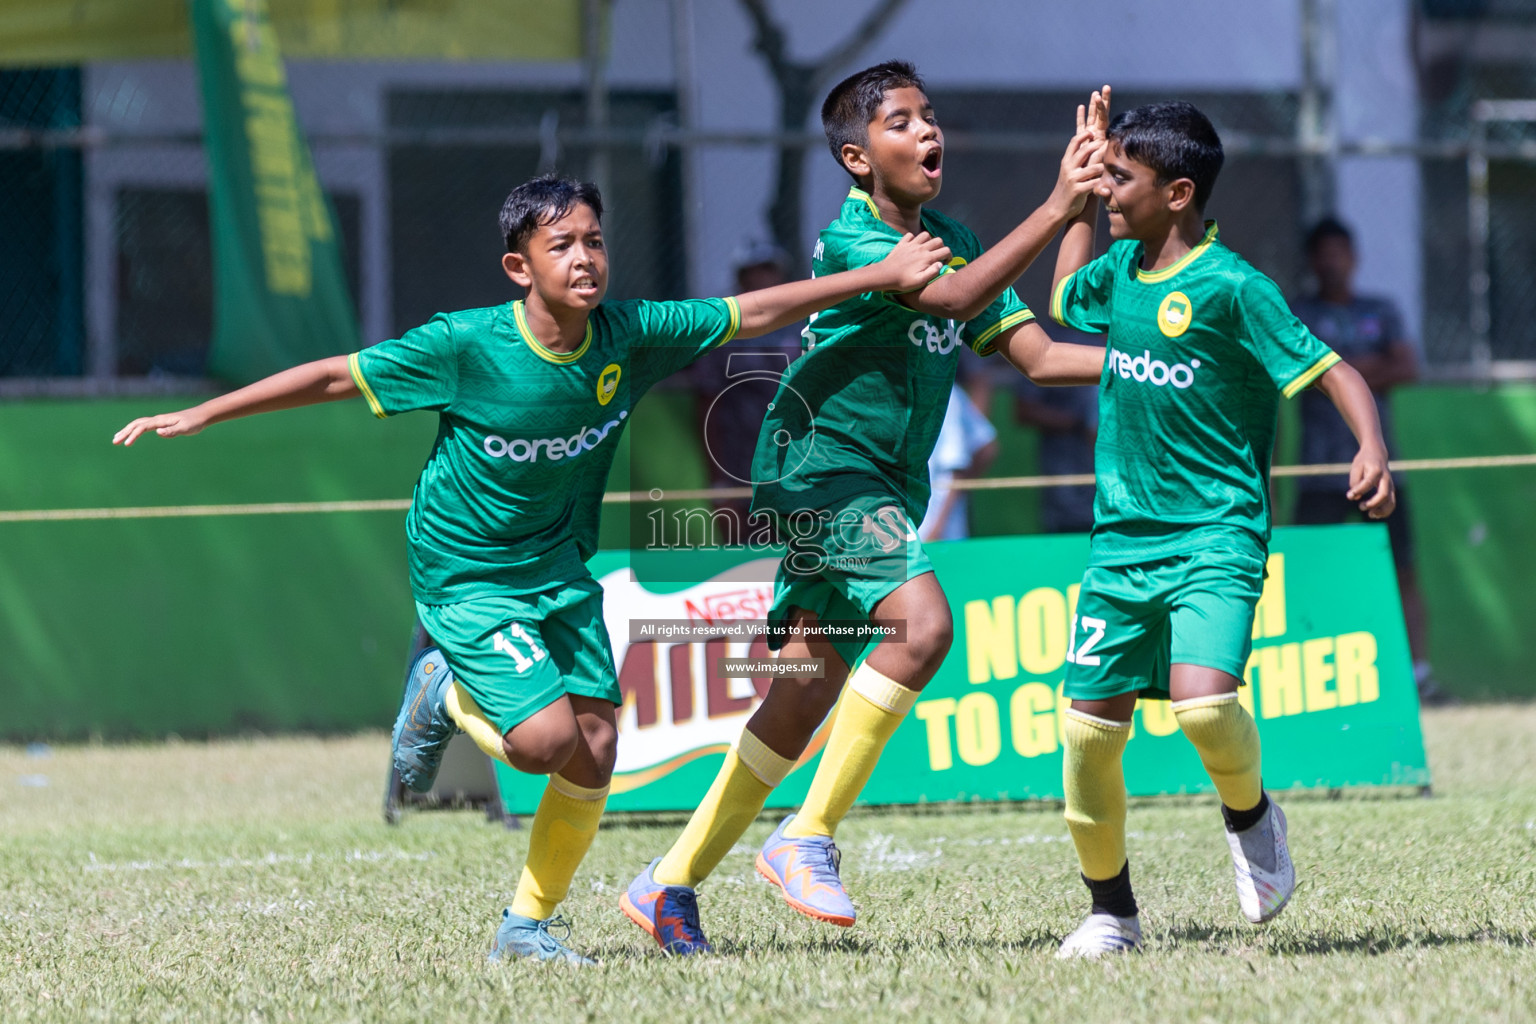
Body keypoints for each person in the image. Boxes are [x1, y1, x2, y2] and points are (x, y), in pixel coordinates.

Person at [111, 174, 950, 965]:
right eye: (561, 246)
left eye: (594, 240)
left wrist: (872, 277)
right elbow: (337, 373)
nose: (584, 258)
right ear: (520, 267)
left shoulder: (630, 335)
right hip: (466, 570)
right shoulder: (465, 345)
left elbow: (753, 310)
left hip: (557, 564)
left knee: (595, 748)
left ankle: (526, 926)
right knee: (545, 741)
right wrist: (204, 412)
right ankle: (438, 687)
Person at [620, 60, 1108, 955]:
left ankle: (667, 881)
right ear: (856, 156)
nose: (929, 133)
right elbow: (954, 296)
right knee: (921, 628)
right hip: (821, 472)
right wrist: (1054, 203)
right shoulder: (854, 241)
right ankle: (806, 835)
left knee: (803, 693)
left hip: (877, 483)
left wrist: (1164, 372)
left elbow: (1037, 355)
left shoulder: (953, 234)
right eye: (902, 122)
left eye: (931, 116)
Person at [1047, 96, 1395, 958]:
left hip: (1216, 534)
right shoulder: (1120, 269)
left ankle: (1253, 821)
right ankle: (1111, 915)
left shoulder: (1235, 286)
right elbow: (1062, 299)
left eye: (1120, 177)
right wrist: (1081, 197)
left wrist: (1372, 446)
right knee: (1087, 734)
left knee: (1206, 709)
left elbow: (1334, 369)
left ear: (1178, 192)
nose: (1106, 186)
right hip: (1120, 543)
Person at [1290, 217, 1443, 704]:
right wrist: (1354, 368)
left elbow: (1406, 366)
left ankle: (1420, 675)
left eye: (1341, 251)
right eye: (1324, 252)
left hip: (1380, 466)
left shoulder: (1381, 310)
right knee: (1307, 569)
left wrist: (1339, 368)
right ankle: (1305, 673)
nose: (1333, 261)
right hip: (1318, 470)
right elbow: (1302, 372)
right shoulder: (1298, 312)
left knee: (1402, 567)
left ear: (1353, 258)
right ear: (1313, 261)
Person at [688, 240, 804, 540]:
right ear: (740, 278)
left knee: (798, 554)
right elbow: (707, 406)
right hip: (740, 469)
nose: (761, 278)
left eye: (768, 269)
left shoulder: (803, 328)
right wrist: (718, 482)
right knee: (744, 563)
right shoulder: (723, 333)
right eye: (752, 271)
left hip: (794, 468)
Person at [1013, 327, 1102, 535]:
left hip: (1118, 492)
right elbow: (1023, 410)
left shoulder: (1135, 339)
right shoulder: (1052, 338)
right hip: (1067, 486)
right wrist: (1075, 422)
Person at [919, 384, 999, 541]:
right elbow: (987, 448)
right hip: (907, 530)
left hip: (934, 532)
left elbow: (957, 466)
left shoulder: (945, 393)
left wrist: (937, 527)